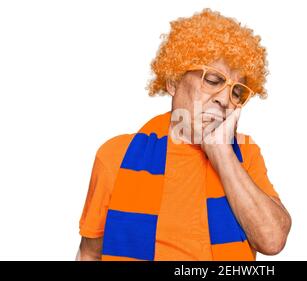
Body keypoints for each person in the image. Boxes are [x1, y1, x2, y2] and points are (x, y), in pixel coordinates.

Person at [77, 8, 291, 261]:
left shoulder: (245, 155)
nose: (224, 99)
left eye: (236, 92)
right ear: (173, 81)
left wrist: (221, 152)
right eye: (213, 80)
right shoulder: (116, 156)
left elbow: (272, 240)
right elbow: (90, 253)